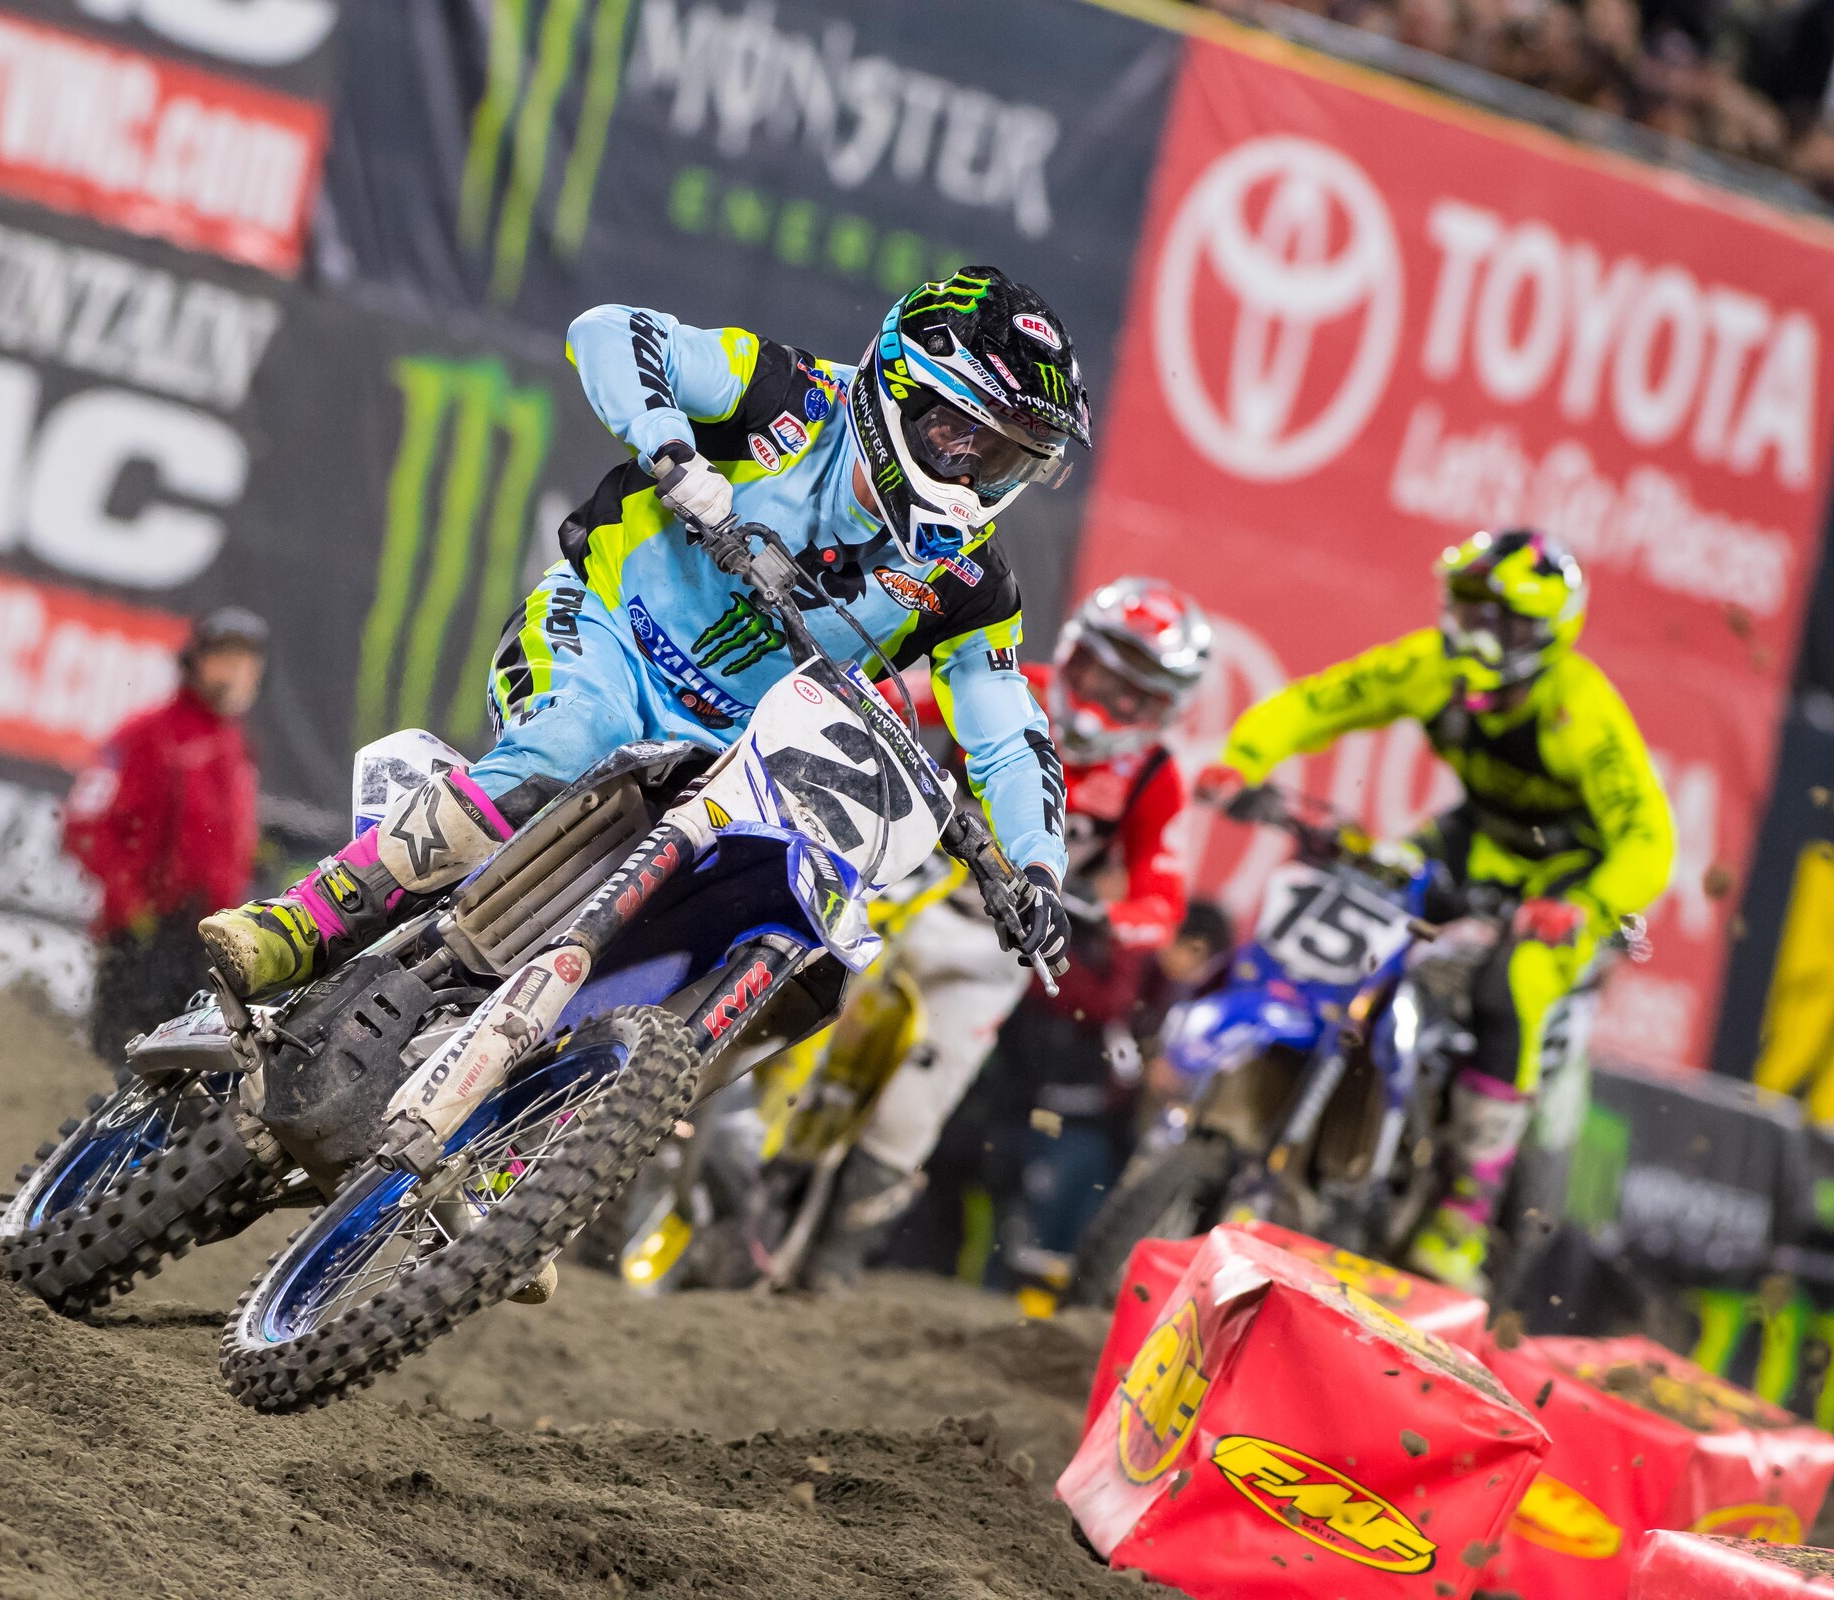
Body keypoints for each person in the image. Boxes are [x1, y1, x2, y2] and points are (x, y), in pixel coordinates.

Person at [200, 267, 1085, 1003]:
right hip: (602, 635)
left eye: (1006, 458)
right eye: (962, 436)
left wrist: (1038, 871)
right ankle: (304, 922)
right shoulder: (784, 393)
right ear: (901, 388)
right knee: (575, 741)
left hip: (733, 759)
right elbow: (609, 330)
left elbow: (1008, 730)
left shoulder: (970, 580)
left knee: (787, 930)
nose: (974, 477)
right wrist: (671, 450)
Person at [1201, 527, 1674, 1292]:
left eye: (1504, 619)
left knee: (1512, 984)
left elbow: (1648, 838)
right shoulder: (1431, 666)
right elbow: (1318, 702)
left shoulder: (1579, 710)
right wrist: (1243, 759)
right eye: (1471, 608)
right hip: (1468, 845)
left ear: (1548, 632)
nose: (1479, 632)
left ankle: (1463, 1212)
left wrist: (1586, 905)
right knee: (1362, 901)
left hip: (1564, 883)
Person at [818, 578, 1212, 1287]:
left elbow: (1164, 898)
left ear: (1163, 709)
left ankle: (838, 1255)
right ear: (1073, 653)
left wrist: (1105, 915)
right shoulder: (1007, 682)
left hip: (995, 944)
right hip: (890, 883)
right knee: (796, 1002)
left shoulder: (1153, 776)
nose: (1106, 701)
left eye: (1133, 693)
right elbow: (882, 698)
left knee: (917, 1108)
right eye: (1101, 671)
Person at [66, 607, 269, 1060]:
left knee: (187, 1086)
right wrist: (131, 905)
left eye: (247, 663)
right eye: (224, 659)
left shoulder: (234, 740)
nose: (237, 674)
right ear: (193, 662)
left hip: (208, 942)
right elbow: (84, 826)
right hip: (146, 935)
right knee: (120, 1072)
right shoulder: (149, 734)